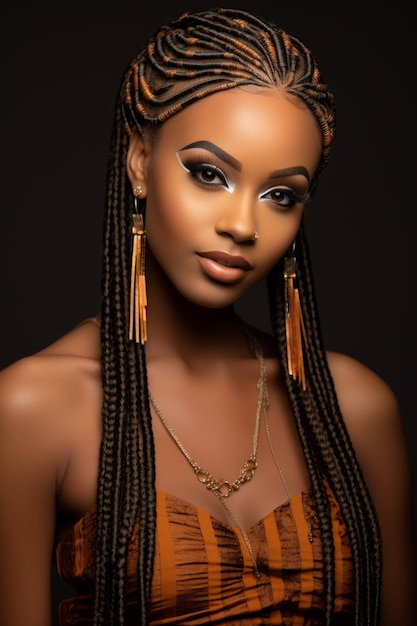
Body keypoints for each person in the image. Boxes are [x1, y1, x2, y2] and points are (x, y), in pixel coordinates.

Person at [0, 6, 415, 626]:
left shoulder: (354, 407)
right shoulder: (33, 408)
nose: (243, 225)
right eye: (209, 174)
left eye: (281, 195)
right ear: (140, 161)